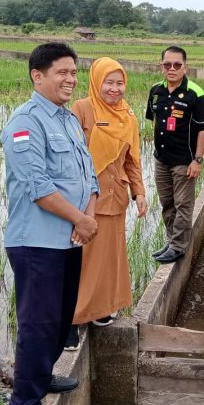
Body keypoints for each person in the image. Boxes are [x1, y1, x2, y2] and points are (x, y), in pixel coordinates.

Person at [1, 42, 99, 405]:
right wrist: (80, 218)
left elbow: (89, 173)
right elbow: (37, 186)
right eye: (62, 72)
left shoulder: (68, 119)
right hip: (36, 242)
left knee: (60, 320)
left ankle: (41, 378)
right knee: (38, 323)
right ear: (37, 76)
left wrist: (87, 218)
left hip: (70, 238)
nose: (70, 80)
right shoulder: (24, 123)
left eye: (74, 73)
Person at [63, 57, 146, 350]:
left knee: (109, 258)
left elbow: (132, 160)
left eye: (119, 82)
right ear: (97, 82)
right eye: (108, 82)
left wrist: (140, 193)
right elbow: (70, 155)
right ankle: (71, 320)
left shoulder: (129, 116)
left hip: (116, 197)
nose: (114, 88)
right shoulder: (82, 109)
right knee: (81, 259)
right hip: (85, 200)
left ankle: (100, 311)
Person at [145, 46, 204, 264]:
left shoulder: (195, 93)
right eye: (167, 65)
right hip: (161, 159)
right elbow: (154, 121)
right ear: (161, 66)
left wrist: (198, 159)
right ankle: (172, 240)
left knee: (183, 204)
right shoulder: (156, 91)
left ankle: (179, 246)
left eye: (177, 65)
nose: (172, 69)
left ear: (185, 66)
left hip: (185, 160)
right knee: (167, 202)